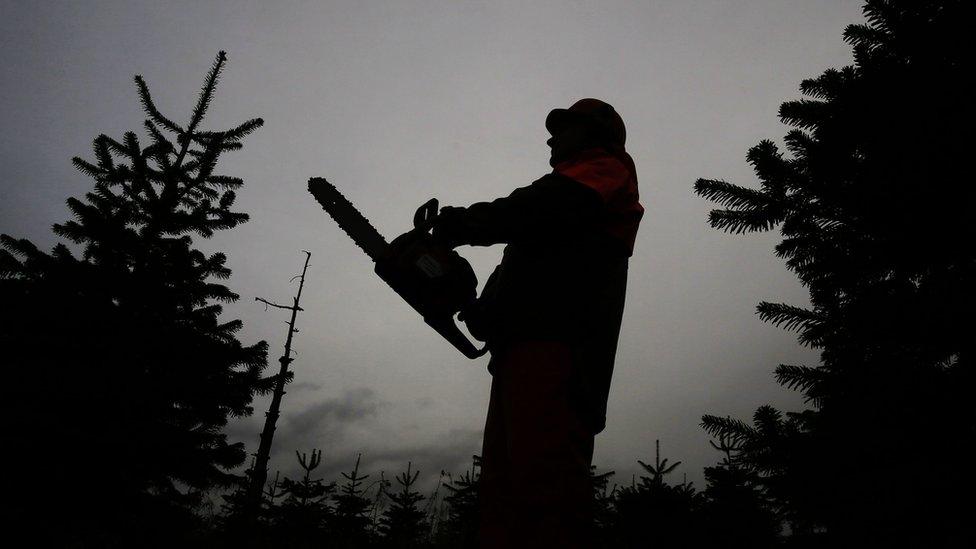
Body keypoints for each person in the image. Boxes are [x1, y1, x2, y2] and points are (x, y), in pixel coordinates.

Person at [432, 98, 643, 548]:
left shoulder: (604, 172)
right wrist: (482, 309)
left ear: (594, 133)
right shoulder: (555, 210)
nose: (552, 137)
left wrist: (463, 223)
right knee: (503, 489)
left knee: (545, 484)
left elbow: (539, 208)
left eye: (564, 127)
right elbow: (524, 266)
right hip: (521, 350)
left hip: (561, 348)